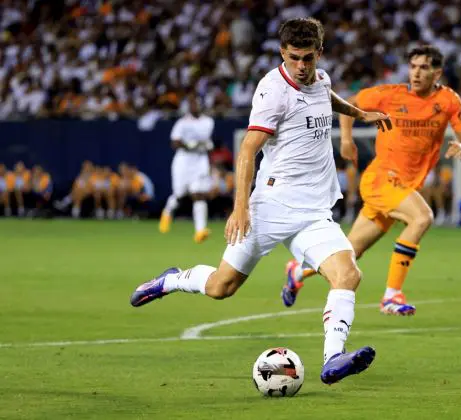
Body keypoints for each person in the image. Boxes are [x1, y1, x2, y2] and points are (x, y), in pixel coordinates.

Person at [129, 18, 391, 385]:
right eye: (295, 58)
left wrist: (359, 114)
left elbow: (325, 96)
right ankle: (172, 280)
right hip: (271, 206)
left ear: (320, 53)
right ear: (282, 53)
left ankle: (333, 359)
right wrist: (241, 207)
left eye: (309, 58)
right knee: (222, 287)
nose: (302, 66)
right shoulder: (272, 91)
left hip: (314, 210)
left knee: (348, 274)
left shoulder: (321, 78)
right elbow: (248, 149)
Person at [281, 45, 461, 316]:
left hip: (403, 186)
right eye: (413, 66)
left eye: (424, 67)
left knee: (349, 253)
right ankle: (391, 295)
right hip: (381, 178)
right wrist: (346, 140)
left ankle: (298, 271)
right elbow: (349, 104)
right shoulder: (390, 95)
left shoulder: (448, 101)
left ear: (438, 72)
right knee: (422, 218)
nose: (416, 73)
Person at [158, 95, 215, 244]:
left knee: (199, 194)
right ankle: (167, 212)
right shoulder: (182, 123)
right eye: (191, 104)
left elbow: (206, 141)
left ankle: (200, 231)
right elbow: (175, 142)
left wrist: (205, 145)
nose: (193, 106)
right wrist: (189, 145)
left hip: (200, 161)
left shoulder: (208, 122)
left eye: (195, 103)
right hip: (183, 161)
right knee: (179, 194)